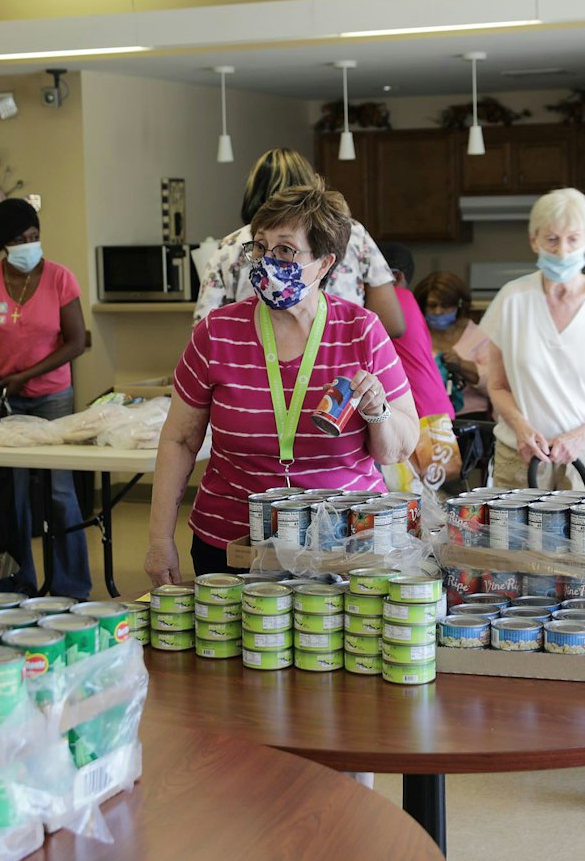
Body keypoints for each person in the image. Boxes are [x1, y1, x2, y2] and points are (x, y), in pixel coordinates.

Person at [146, 183, 418, 583]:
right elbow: (180, 441)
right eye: (259, 247)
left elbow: (399, 447)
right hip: (233, 542)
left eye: (285, 250)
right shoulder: (216, 333)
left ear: (325, 264)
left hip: (345, 545)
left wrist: (377, 411)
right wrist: (158, 539)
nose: (267, 262)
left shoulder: (361, 330)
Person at [0, 198, 91, 597]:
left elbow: (76, 341)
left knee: (59, 493)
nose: (29, 244)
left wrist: (25, 375)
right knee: (11, 497)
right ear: (2, 245)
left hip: (51, 398)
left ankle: (71, 586)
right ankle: (17, 584)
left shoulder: (60, 278)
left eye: (34, 236)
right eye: (19, 239)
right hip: (3, 402)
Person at [480, 188, 585, 492]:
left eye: (573, 239)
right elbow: (498, 385)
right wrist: (521, 427)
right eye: (552, 240)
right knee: (514, 540)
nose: (563, 251)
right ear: (534, 240)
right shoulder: (512, 301)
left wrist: (581, 437)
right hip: (522, 453)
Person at [193, 147, 406, 338]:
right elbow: (392, 323)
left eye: (286, 249)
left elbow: (202, 330)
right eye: (260, 247)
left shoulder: (230, 246)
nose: (268, 256)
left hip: (251, 363)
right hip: (340, 363)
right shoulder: (354, 235)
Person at [376, 243, 460, 492]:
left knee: (426, 511)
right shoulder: (408, 300)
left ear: (396, 277)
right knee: (435, 508)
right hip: (435, 413)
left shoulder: (392, 301)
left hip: (421, 416)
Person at [413, 271, 492, 418]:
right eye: (432, 306)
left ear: (459, 305)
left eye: (445, 306)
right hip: (425, 416)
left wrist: (461, 365)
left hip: (469, 416)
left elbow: (494, 384)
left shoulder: (478, 335)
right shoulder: (416, 336)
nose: (438, 311)